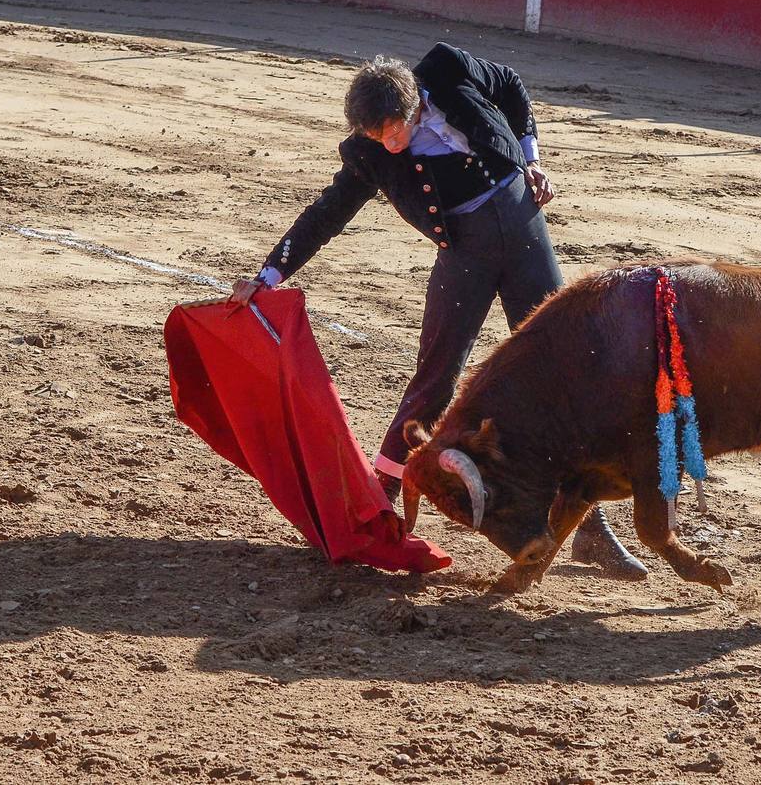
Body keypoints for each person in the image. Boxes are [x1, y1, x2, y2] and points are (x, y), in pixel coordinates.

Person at [230, 42, 647, 580]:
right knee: (436, 378)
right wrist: (268, 275)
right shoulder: (368, 152)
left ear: (414, 105)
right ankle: (374, 506)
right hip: (465, 253)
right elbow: (328, 212)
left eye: (392, 129)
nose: (388, 142)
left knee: (565, 370)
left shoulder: (448, 69)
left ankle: (590, 530)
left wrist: (532, 156)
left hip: (523, 226)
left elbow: (511, 86)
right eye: (375, 134)